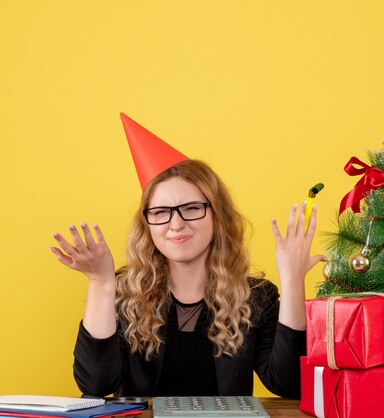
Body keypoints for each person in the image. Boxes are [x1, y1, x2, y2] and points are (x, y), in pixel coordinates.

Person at [49, 114, 325, 398]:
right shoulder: (123, 292)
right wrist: (99, 282)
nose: (176, 224)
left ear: (218, 215)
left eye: (191, 208)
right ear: (147, 224)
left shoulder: (256, 297)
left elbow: (290, 385)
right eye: (160, 212)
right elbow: (96, 386)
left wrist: (293, 281)